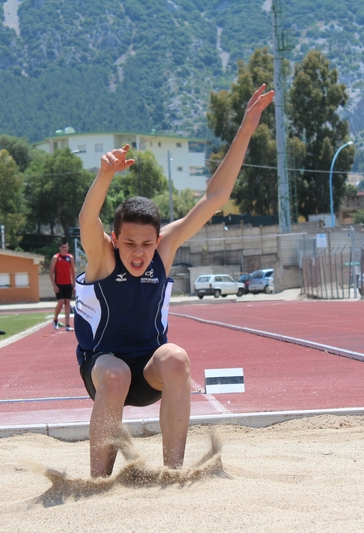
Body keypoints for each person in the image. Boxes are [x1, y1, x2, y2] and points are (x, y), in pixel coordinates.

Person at [74, 85, 274, 477]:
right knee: (116, 375)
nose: (138, 252)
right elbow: (87, 221)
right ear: (115, 240)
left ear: (158, 239)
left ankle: (173, 472)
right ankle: (97, 481)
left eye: (147, 244)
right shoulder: (102, 258)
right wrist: (103, 176)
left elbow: (214, 197)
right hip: (105, 370)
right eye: (129, 243)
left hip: (149, 370)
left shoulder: (163, 250)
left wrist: (248, 127)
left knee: (177, 357)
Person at [49, 240, 75, 332]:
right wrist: (54, 285)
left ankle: (67, 325)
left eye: (66, 247)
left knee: (68, 303)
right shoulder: (56, 257)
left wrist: (74, 285)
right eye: (63, 247)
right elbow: (50, 272)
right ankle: (55, 319)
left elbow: (73, 271)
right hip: (59, 284)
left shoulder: (70, 257)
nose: (64, 249)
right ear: (59, 248)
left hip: (68, 284)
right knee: (60, 303)